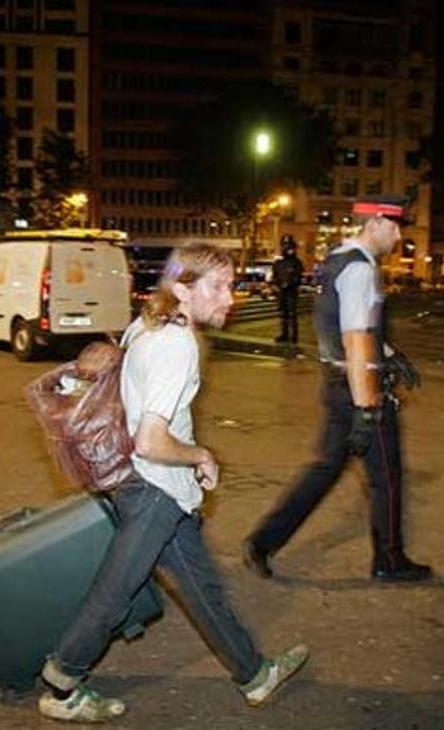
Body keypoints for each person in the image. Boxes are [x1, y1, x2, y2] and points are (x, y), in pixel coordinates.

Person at [39, 243, 309, 722]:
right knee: (116, 591)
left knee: (201, 587)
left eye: (232, 285)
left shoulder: (150, 323)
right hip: (152, 487)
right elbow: (150, 440)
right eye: (220, 286)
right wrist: (202, 455)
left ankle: (254, 674)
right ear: (184, 287)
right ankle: (61, 684)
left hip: (159, 488)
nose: (231, 297)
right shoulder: (175, 344)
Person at [243, 196, 432, 583]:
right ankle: (389, 560)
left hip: (336, 382)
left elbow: (342, 325)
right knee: (387, 479)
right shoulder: (361, 269)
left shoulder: (335, 260)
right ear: (376, 222)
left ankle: (262, 541)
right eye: (395, 227)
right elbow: (357, 338)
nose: (399, 236)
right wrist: (367, 407)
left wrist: (391, 353)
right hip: (359, 386)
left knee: (325, 470)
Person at [272, 235, 304, 345]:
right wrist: (278, 284)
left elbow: (298, 277)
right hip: (282, 291)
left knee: (292, 314)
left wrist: (290, 284)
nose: (287, 249)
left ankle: (293, 336)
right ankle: (284, 334)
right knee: (283, 314)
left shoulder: (296, 262)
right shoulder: (279, 263)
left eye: (289, 246)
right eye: (285, 246)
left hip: (291, 291)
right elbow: (275, 275)